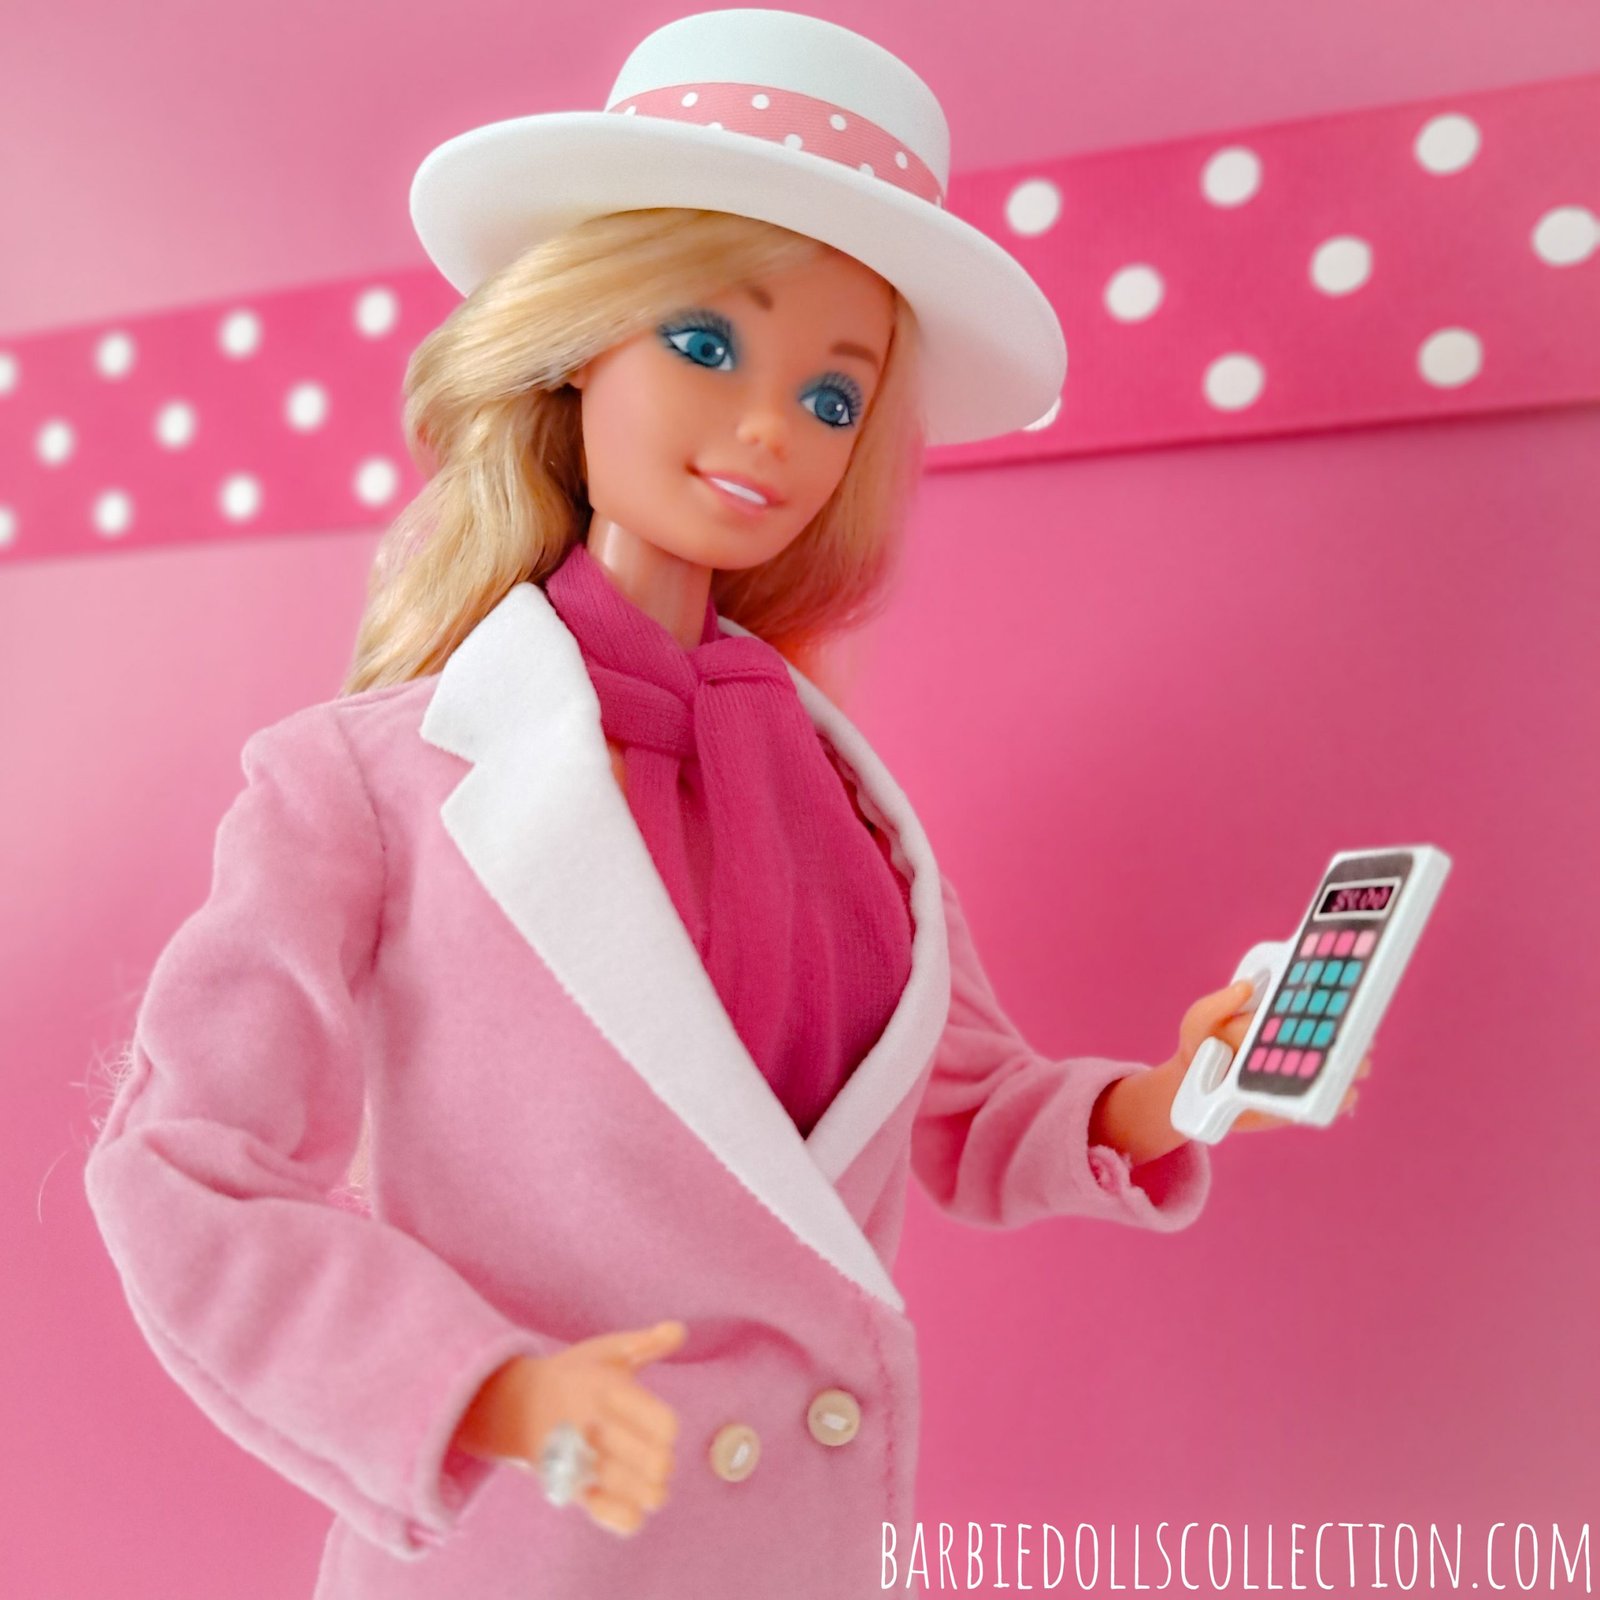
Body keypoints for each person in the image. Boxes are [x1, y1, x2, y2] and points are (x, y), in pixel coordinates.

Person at [83, 11, 1365, 1597]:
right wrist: (471, 1388)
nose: (770, 428)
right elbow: (186, 1162)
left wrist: (1173, 1096)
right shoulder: (365, 781)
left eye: (834, 398)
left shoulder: (837, 794)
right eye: (704, 342)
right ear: (577, 342)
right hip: (535, 1547)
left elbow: (964, 1110)